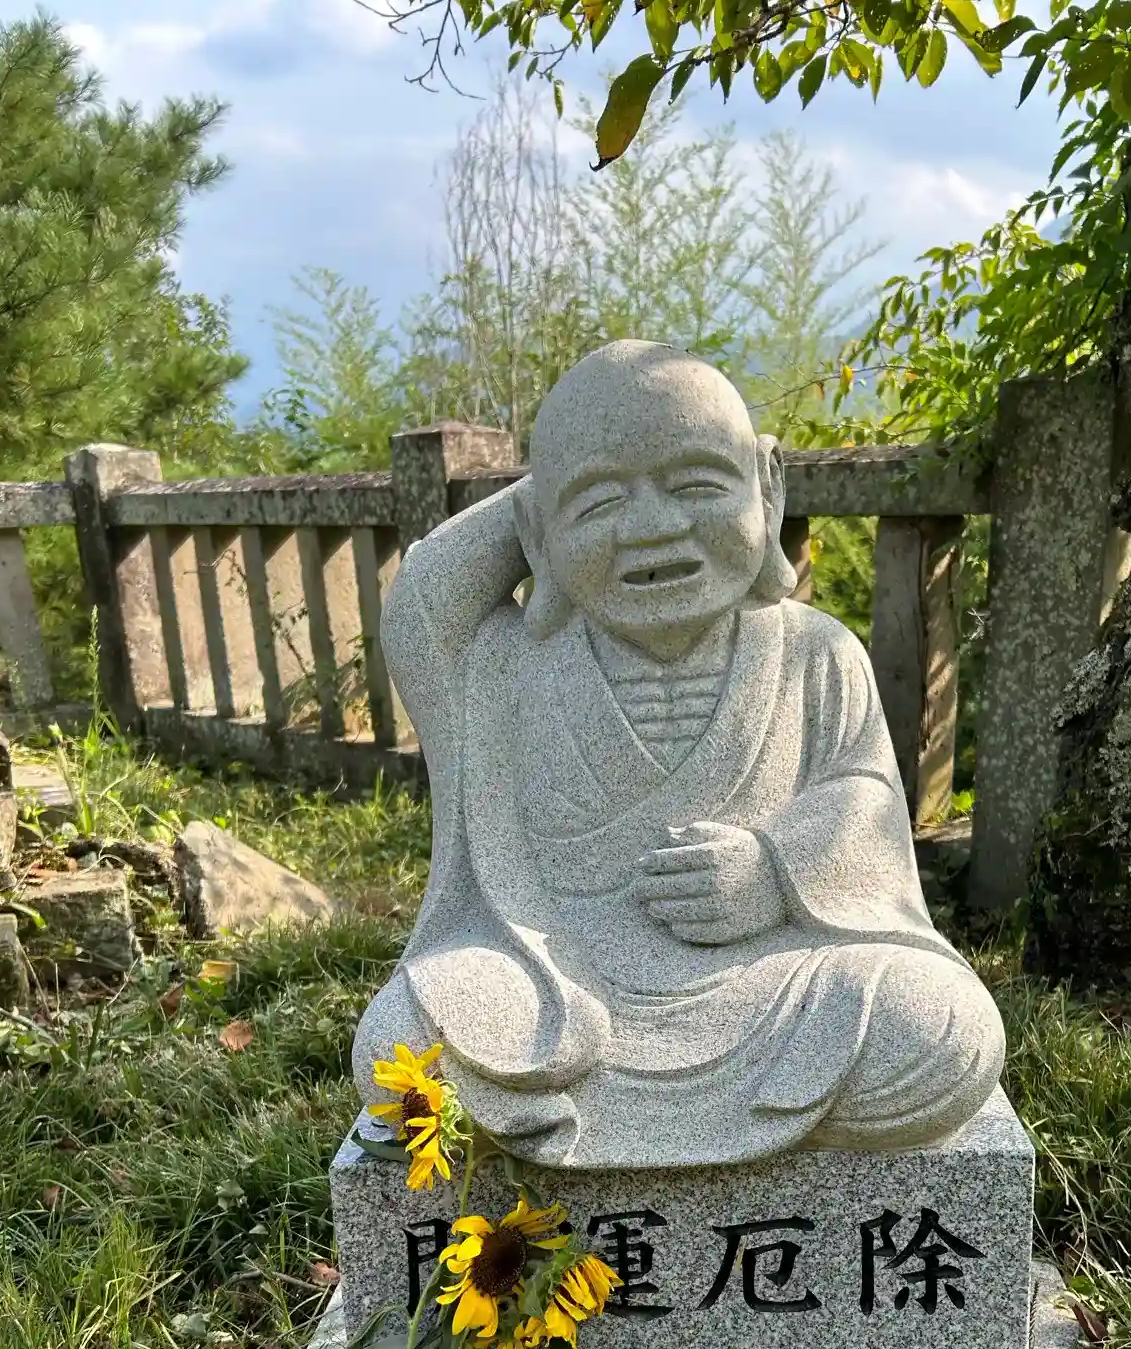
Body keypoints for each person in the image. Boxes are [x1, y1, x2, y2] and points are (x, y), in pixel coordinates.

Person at [353, 341, 1005, 1166]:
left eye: (698, 485)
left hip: (769, 980)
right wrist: (554, 477)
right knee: (400, 1045)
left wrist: (775, 871)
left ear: (768, 489)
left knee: (943, 1028)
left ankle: (665, 1120)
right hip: (556, 983)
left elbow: (865, 802)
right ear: (536, 531)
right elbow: (423, 609)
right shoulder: (505, 662)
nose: (653, 528)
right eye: (598, 504)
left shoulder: (815, 653)